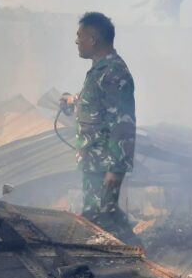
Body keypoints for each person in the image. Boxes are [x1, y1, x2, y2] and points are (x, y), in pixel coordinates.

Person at [59, 12, 138, 244]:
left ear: (92, 40)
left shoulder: (114, 73)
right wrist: (72, 101)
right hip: (94, 160)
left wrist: (116, 168)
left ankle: (127, 256)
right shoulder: (100, 69)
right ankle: (133, 250)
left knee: (98, 216)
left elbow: (123, 123)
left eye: (79, 36)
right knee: (105, 213)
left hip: (104, 162)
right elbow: (96, 105)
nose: (76, 41)